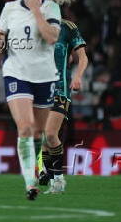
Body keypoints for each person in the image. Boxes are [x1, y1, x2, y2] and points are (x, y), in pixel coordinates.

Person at [0, 0, 76, 200]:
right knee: (26, 127)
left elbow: (51, 37)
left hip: (45, 76)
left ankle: (44, 171)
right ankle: (31, 182)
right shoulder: (9, 8)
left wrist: (36, 11)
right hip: (16, 73)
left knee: (39, 132)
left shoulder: (51, 8)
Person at [39, 19, 88, 193]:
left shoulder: (68, 27)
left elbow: (82, 57)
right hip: (39, 88)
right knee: (44, 137)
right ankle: (49, 174)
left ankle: (58, 179)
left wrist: (78, 76)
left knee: (51, 133)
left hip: (60, 88)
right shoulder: (33, 25)